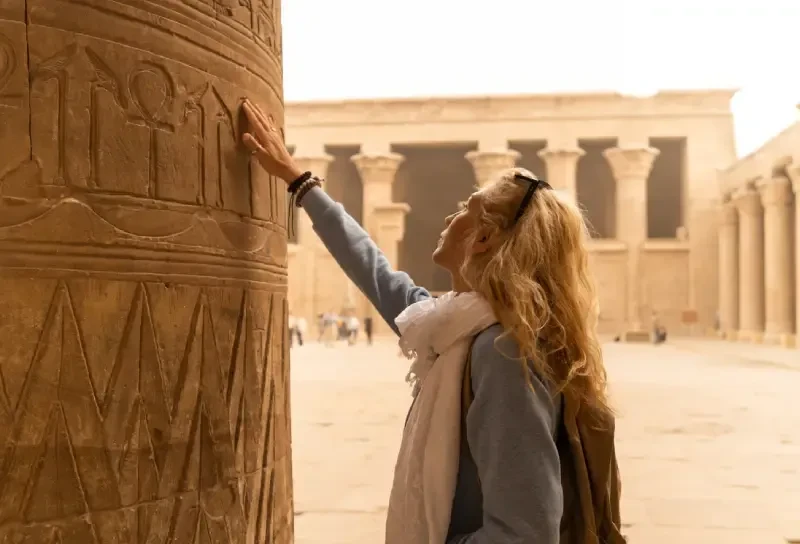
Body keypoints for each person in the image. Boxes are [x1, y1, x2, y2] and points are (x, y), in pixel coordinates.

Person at [241, 100, 624, 544]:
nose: (449, 216)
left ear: (483, 239)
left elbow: (525, 534)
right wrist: (300, 183)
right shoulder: (457, 327)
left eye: (468, 207)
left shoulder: (503, 353)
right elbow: (374, 270)